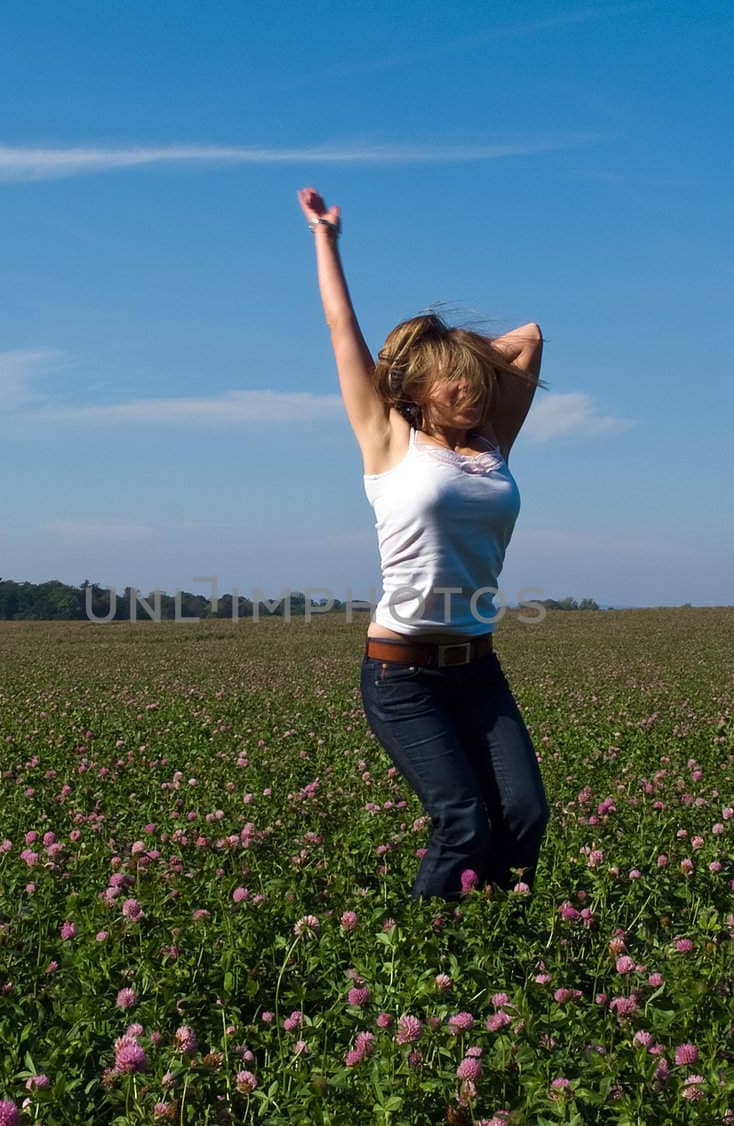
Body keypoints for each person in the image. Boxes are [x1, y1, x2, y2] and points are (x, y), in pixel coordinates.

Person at [297, 186, 550, 900]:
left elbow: (528, 335)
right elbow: (340, 326)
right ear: (416, 387)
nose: (473, 394)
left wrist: (452, 352)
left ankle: (494, 937)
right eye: (456, 385)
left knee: (525, 815)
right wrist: (326, 238)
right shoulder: (388, 441)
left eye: (477, 382)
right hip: (403, 676)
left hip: (478, 667)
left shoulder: (493, 442)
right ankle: (417, 960)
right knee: (463, 823)